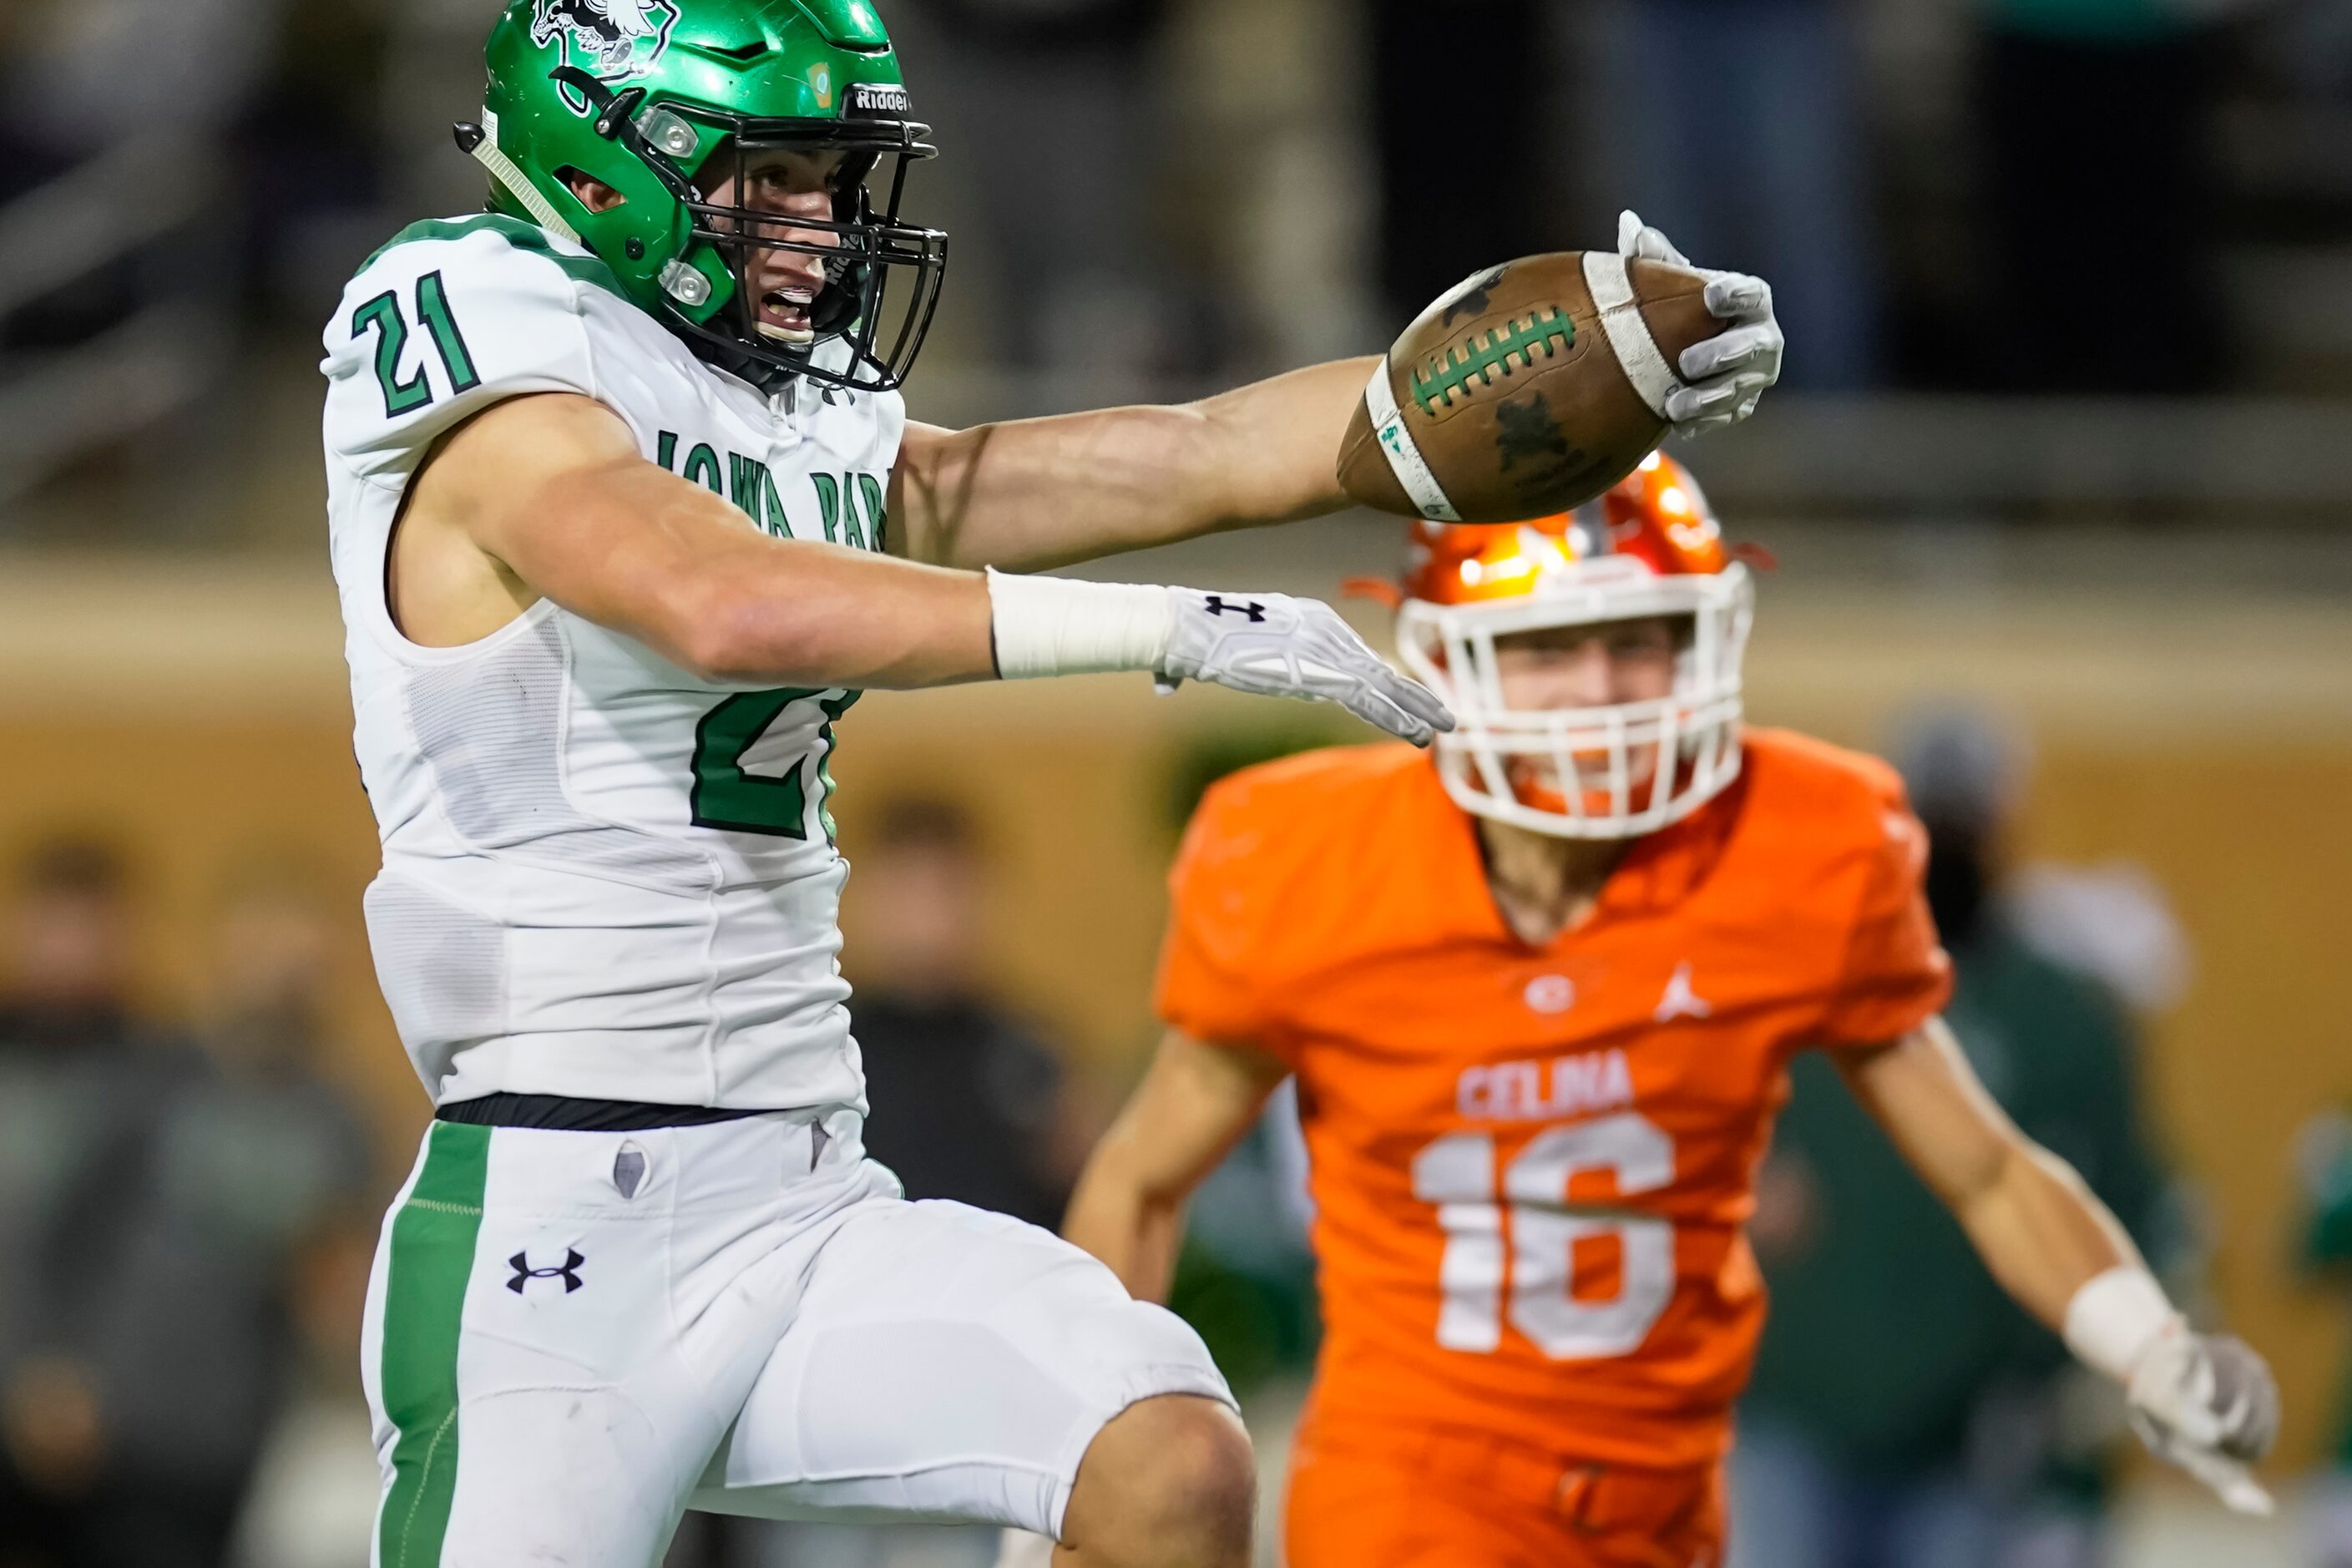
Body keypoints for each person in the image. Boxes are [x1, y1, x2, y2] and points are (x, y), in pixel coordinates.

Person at [318, 3, 1788, 1563]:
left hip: (804, 1196)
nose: (821, 224)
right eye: (777, 176)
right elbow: (723, 601)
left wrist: (1610, 351)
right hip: (559, 1232)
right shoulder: (493, 357)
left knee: (1163, 1453)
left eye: (834, 175)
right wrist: (1170, 631)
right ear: (607, 158)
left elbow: (1203, 449)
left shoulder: (772, 412)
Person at [1058, 456, 2279, 1568]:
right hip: (1413, 1482)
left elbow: (1989, 1171)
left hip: (1675, 1490)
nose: (1600, 690)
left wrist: (2149, 1346)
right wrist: (1075, 1462)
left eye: (1639, 637)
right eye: (1548, 647)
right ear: (1442, 660)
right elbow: (1144, 1176)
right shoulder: (1312, 861)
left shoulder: (1792, 847)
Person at [1732, 706, 2183, 1568]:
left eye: (1963, 820)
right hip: (1791, 1413)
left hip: (1966, 1438)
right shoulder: (1799, 975)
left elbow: (2129, 1204)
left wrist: (2080, 1373)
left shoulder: (2057, 1015)